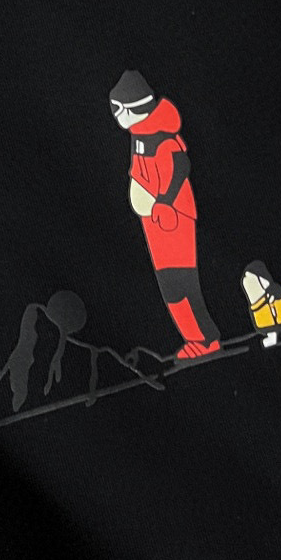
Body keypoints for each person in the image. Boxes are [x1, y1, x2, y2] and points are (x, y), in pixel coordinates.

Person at [109, 70, 220, 358]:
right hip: (153, 222)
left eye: (121, 109)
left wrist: (164, 202)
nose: (118, 117)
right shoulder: (138, 135)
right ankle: (195, 339)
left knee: (181, 281)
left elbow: (180, 165)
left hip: (172, 217)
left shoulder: (159, 132)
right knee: (170, 286)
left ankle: (206, 340)